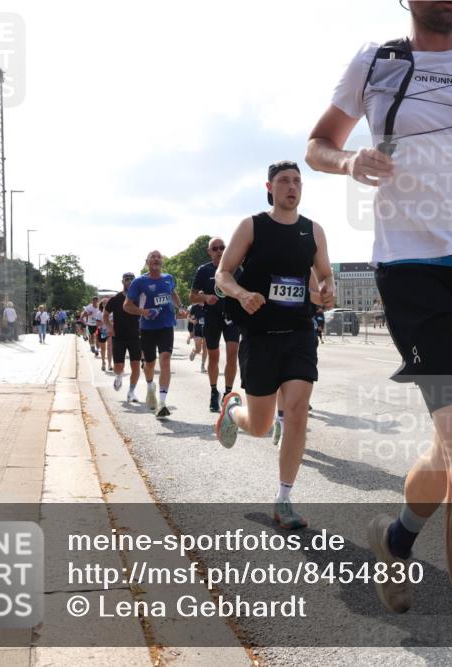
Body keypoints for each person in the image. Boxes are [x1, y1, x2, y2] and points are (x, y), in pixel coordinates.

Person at [305, 1, 452, 662]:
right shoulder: (378, 61)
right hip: (411, 272)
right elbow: (317, 144)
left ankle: (398, 536)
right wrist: (348, 162)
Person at [214, 161, 335, 530]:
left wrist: (328, 288)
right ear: (270, 187)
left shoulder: (312, 230)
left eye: (297, 181)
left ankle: (284, 498)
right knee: (261, 426)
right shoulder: (253, 226)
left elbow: (325, 273)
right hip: (260, 336)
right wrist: (242, 292)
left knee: (297, 412)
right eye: (284, 181)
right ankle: (232, 411)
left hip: (299, 333)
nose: (292, 186)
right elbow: (223, 274)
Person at [124, 250, 182, 419]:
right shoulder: (139, 282)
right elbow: (127, 305)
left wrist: (180, 306)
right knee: (149, 365)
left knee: (165, 360)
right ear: (147, 261)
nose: (156, 259)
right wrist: (143, 311)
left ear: (161, 262)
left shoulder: (168, 278)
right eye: (153, 257)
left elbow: (173, 293)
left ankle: (162, 403)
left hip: (166, 326)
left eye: (159, 257)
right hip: (148, 328)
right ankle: (150, 387)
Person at [190, 237, 241, 413]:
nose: (219, 251)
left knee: (233, 353)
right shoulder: (203, 271)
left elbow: (243, 290)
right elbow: (192, 297)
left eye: (222, 248)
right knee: (213, 356)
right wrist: (205, 298)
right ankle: (213, 391)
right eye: (215, 248)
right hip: (211, 317)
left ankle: (228, 393)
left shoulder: (235, 269)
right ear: (209, 251)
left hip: (232, 317)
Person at [105, 272, 143, 401]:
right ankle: (119, 376)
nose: (130, 281)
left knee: (136, 365)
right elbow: (105, 315)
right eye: (127, 279)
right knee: (118, 367)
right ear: (122, 282)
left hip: (135, 336)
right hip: (119, 337)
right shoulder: (115, 299)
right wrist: (110, 327)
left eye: (132, 279)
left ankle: (131, 392)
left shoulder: (139, 298)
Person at [188, 302, 208, 370]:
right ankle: (194, 351)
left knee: (205, 349)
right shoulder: (194, 307)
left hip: (207, 330)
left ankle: (202, 365)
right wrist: (192, 321)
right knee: (198, 349)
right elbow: (188, 317)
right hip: (198, 330)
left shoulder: (208, 305)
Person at [96, 299, 110, 370]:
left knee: (110, 347)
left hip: (110, 331)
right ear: (101, 304)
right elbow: (97, 323)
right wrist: (104, 322)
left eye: (107, 303)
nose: (105, 304)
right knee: (103, 348)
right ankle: (103, 362)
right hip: (103, 331)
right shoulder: (99, 313)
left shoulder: (112, 312)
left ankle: (110, 364)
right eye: (104, 303)